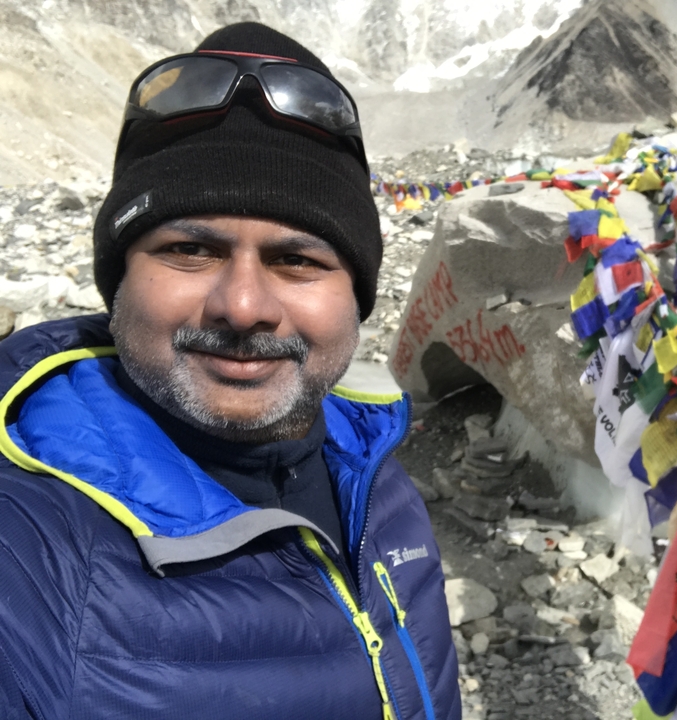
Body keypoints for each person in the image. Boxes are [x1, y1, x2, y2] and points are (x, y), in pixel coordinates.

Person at [0, 22, 460, 719]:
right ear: (119, 282)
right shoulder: (32, 555)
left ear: (355, 295)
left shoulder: (377, 476)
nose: (243, 308)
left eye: (296, 260)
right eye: (190, 250)